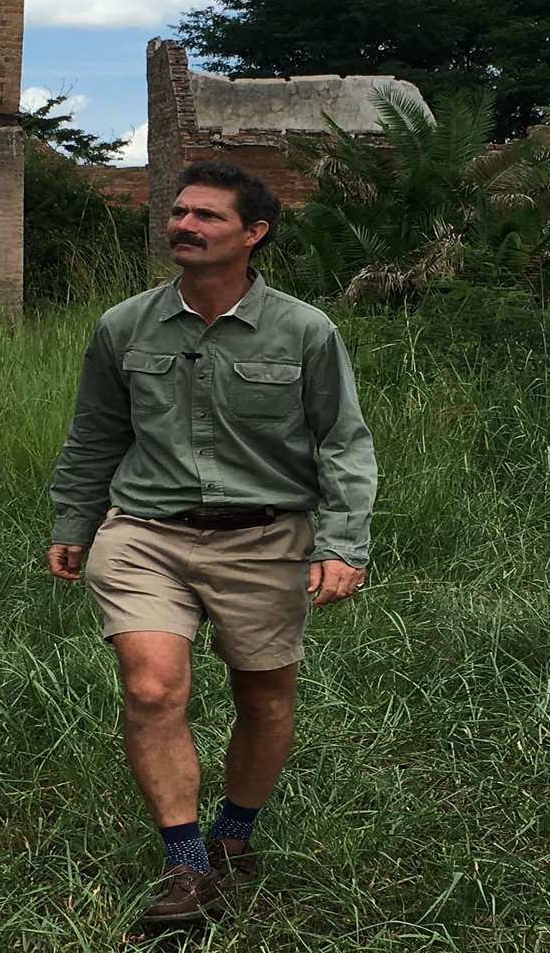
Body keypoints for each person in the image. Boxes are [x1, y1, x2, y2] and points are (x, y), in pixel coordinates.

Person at [46, 160, 378, 928]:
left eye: (207, 217)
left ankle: (236, 835)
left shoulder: (303, 330)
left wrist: (342, 543)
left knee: (263, 695)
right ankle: (187, 863)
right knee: (153, 687)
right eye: (180, 213)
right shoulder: (124, 325)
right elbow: (95, 434)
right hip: (145, 534)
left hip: (267, 537)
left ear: (253, 234)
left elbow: (343, 443)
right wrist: (73, 521)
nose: (185, 226)